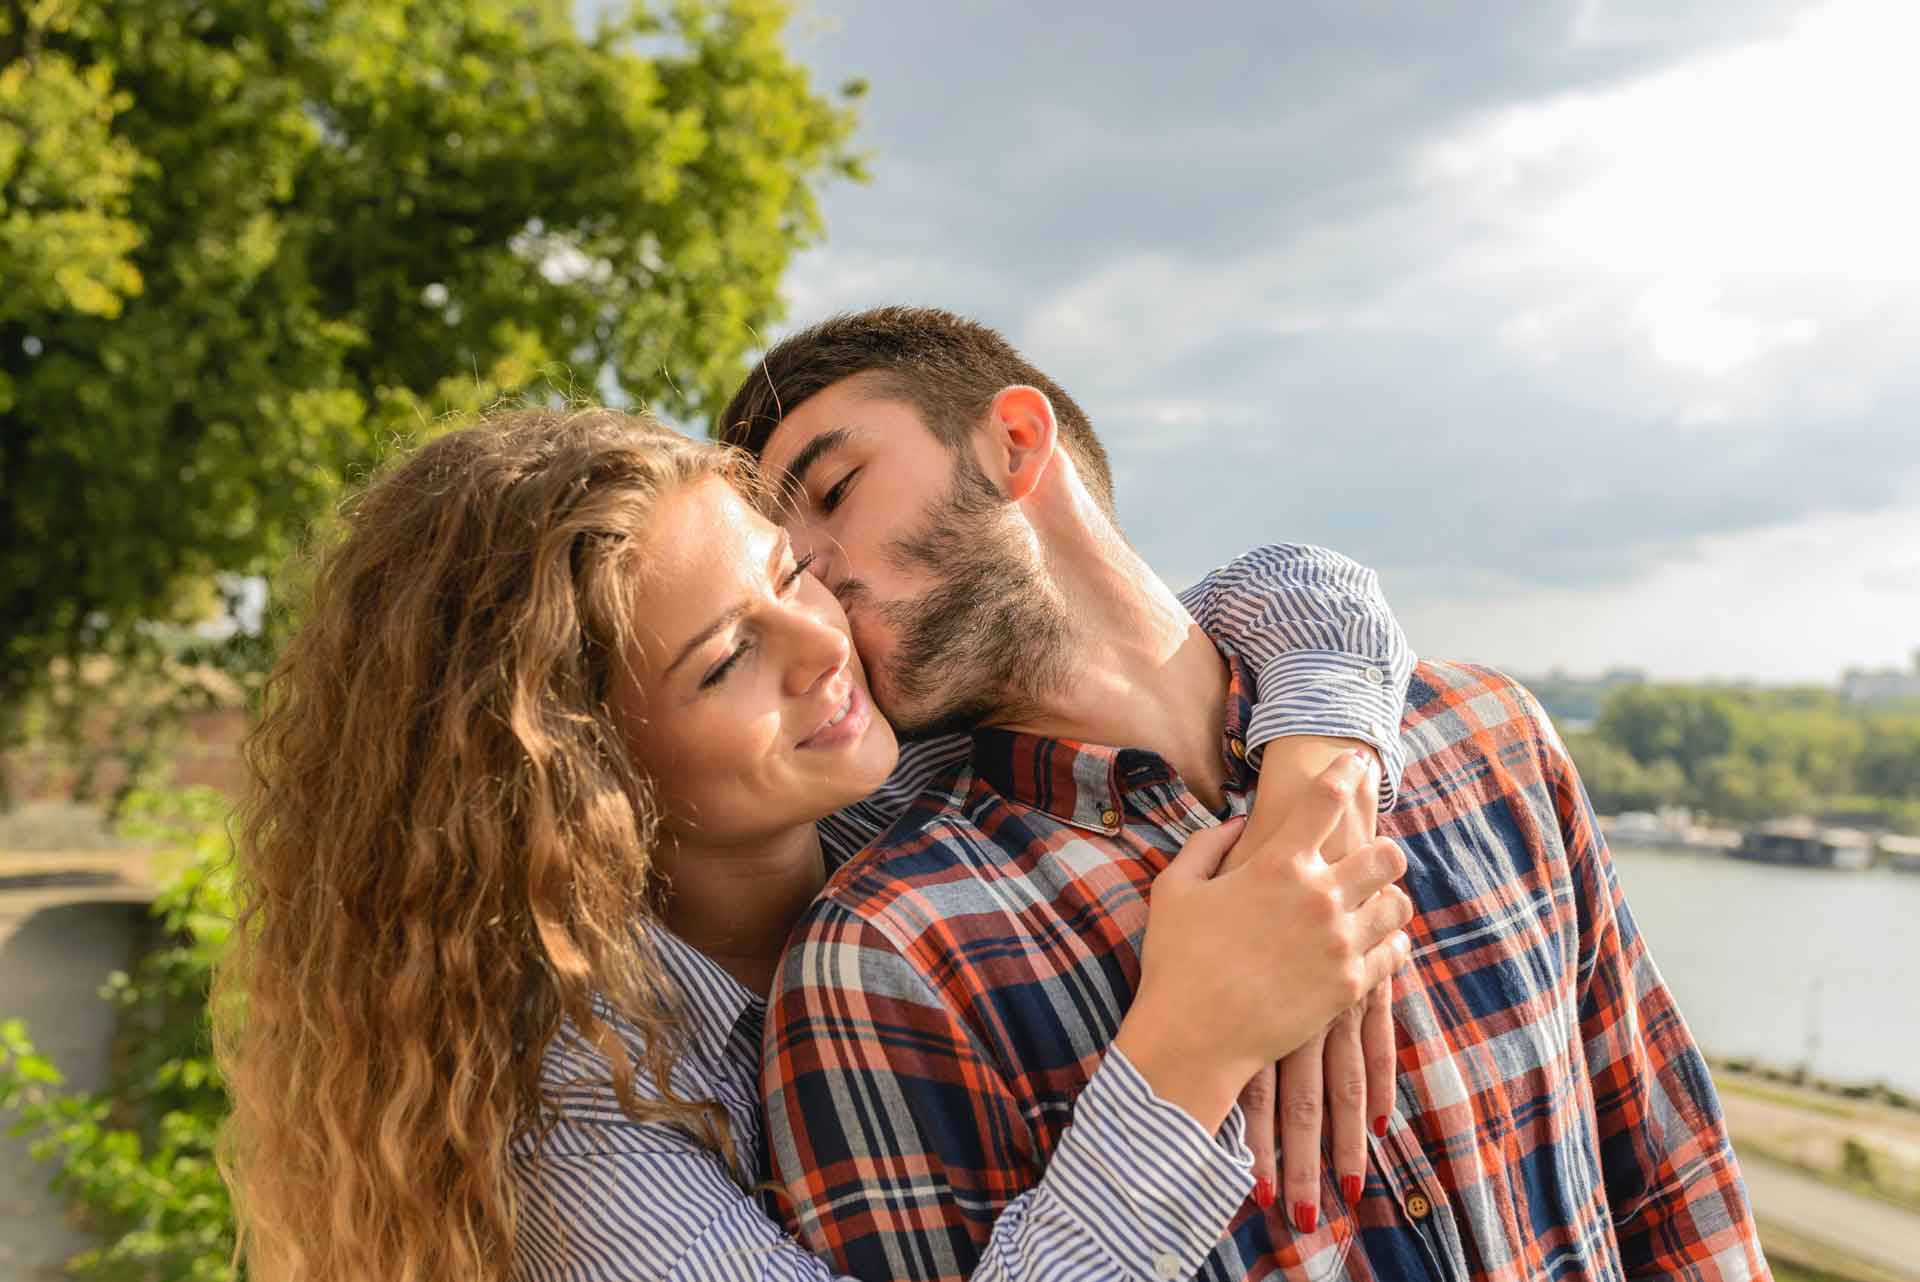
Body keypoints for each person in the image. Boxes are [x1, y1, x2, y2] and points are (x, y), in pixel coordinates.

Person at [215, 406, 1423, 1282]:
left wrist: (1311, 804)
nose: (822, 642)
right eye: (729, 658)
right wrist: (1190, 1049)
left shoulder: (905, 778)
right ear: (580, 775)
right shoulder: (577, 1124)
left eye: (793, 571)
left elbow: (1282, 595)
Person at [720, 307, 1770, 1281]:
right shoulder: (884, 960)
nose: (813, 572)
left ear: (1015, 444)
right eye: (783, 566)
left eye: (836, 489)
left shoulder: (1488, 738)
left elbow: (1676, 1192)